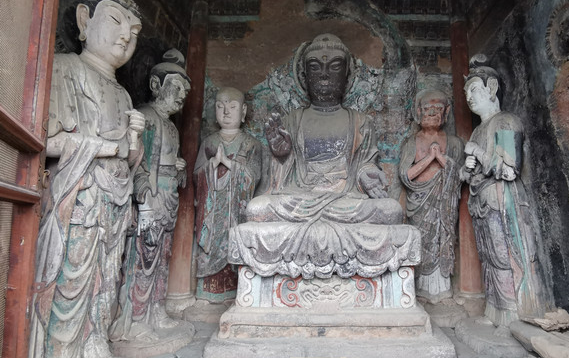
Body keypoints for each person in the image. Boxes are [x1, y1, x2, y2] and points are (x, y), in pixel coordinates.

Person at [28, 0, 145, 358]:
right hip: (79, 197)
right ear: (83, 19)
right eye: (115, 21)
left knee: (107, 277)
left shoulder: (124, 95)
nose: (125, 36)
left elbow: (129, 161)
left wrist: (133, 142)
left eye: (133, 31)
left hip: (114, 202)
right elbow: (47, 141)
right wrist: (109, 146)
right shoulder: (64, 69)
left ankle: (95, 350)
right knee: (72, 280)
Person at [245, 33, 402, 225]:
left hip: (346, 200)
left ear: (347, 74)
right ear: (304, 75)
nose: (324, 74)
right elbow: (277, 181)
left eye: (335, 66)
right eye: (315, 67)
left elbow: (365, 164)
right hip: (300, 200)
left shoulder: (361, 122)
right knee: (257, 208)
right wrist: (282, 156)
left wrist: (366, 175)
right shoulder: (290, 121)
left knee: (390, 210)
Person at [109, 49, 190, 341]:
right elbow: (139, 162)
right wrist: (143, 203)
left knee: (163, 256)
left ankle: (156, 310)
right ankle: (135, 318)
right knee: (142, 257)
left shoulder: (171, 126)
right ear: (156, 85)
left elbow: (167, 162)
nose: (181, 95)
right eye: (176, 87)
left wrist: (178, 168)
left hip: (167, 198)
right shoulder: (146, 117)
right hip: (150, 199)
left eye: (185, 90)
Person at [460, 55, 546, 327]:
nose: (469, 97)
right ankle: (494, 310)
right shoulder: (477, 131)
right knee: (488, 256)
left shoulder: (506, 121)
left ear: (492, 88)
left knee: (505, 255)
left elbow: (508, 169)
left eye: (474, 89)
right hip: (482, 202)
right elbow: (472, 171)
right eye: (466, 93)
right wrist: (466, 169)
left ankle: (512, 314)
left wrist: (478, 153)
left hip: (503, 199)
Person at [194, 87, 262, 294]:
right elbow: (196, 175)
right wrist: (213, 164)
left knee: (237, 240)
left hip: (237, 209)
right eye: (220, 106)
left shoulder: (251, 144)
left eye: (232, 107)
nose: (226, 112)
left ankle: (237, 290)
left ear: (243, 111)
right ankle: (208, 292)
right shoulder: (209, 142)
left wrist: (230, 164)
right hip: (213, 210)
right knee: (211, 245)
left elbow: (255, 176)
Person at [399, 89, 464, 303]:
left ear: (446, 112)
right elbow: (406, 175)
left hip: (444, 203)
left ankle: (443, 290)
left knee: (443, 241)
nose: (433, 113)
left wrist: (441, 158)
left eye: (438, 108)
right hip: (419, 203)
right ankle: (421, 291)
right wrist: (430, 158)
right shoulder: (412, 142)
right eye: (428, 108)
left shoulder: (454, 143)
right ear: (418, 112)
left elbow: (460, 174)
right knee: (421, 242)